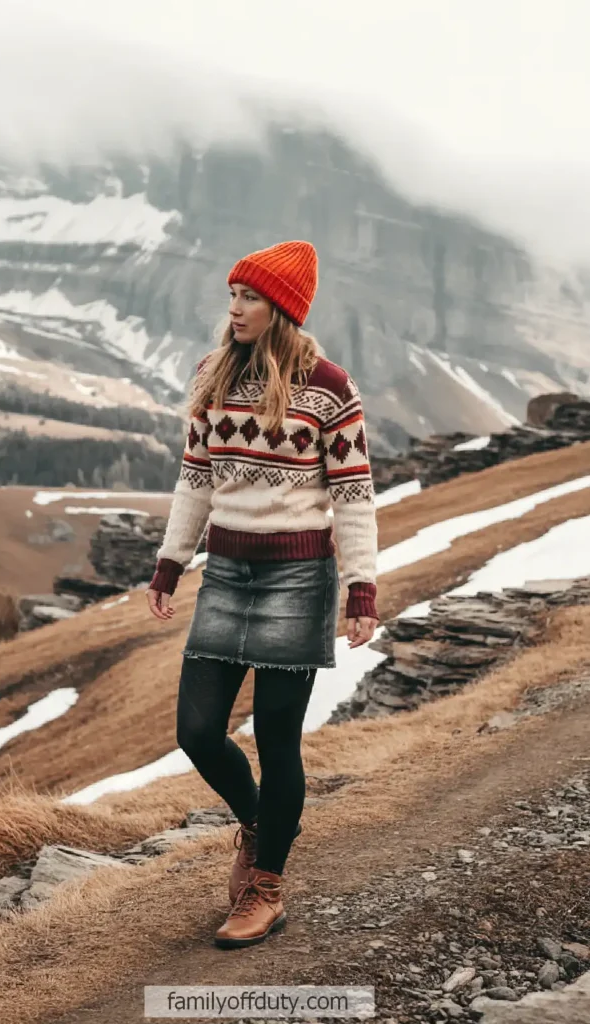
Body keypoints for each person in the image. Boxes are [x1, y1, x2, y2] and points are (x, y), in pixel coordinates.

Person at [146, 239, 379, 949]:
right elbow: (195, 479)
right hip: (226, 574)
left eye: (248, 297)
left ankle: (266, 887)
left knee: (279, 742)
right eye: (232, 295)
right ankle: (259, 822)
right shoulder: (212, 375)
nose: (234, 308)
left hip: (298, 580)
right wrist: (170, 562)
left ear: (281, 308)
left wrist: (361, 590)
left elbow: (353, 496)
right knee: (196, 732)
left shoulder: (329, 388)